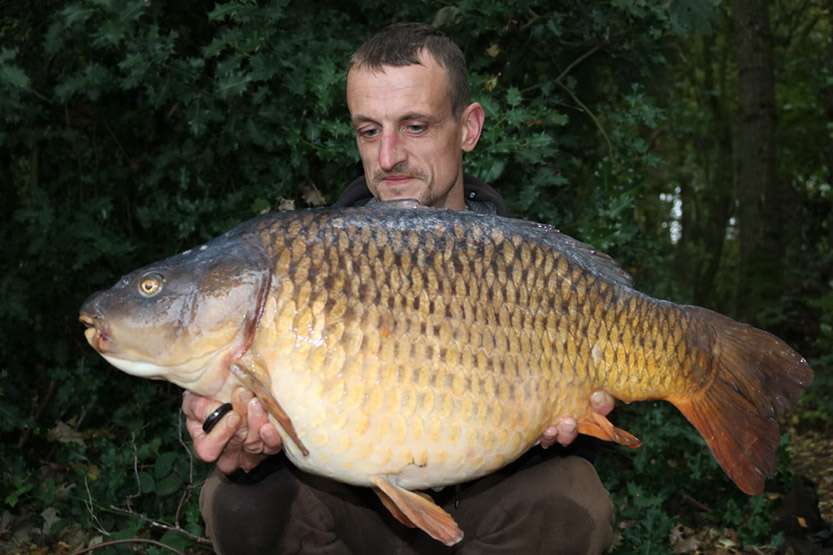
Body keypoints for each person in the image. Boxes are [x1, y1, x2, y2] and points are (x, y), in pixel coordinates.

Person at [183, 22, 617, 554]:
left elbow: (592, 413)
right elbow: (256, 419)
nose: (387, 157)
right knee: (239, 499)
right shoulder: (304, 265)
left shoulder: (528, 268)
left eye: (414, 126)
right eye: (369, 131)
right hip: (355, 509)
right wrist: (241, 439)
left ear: (468, 128)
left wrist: (560, 429)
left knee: (573, 497)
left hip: (486, 506)